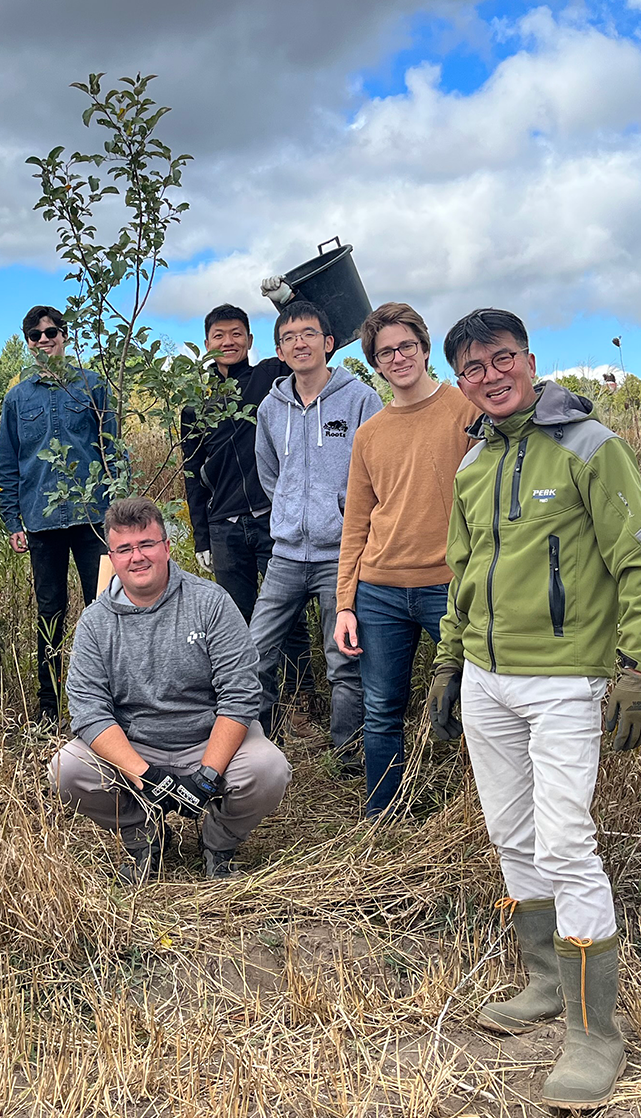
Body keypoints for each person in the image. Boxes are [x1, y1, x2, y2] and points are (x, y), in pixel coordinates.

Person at [428, 307, 641, 1111]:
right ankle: (543, 982)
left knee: (568, 842)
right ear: (461, 381)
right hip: (487, 682)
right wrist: (447, 665)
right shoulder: (472, 466)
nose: (490, 376)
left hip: (565, 679)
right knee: (512, 832)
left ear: (528, 361)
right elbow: (465, 577)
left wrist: (639, 668)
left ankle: (597, 1031)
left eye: (502, 359)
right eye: (473, 368)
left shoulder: (590, 450)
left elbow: (639, 561)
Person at [49, 497, 290, 883]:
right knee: (68, 768)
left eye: (146, 544)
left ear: (166, 547)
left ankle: (218, 841)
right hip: (136, 744)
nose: (137, 557)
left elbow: (241, 694)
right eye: (125, 549)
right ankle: (143, 835)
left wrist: (208, 774)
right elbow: (89, 711)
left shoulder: (211, 603)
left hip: (207, 739)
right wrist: (145, 774)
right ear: (112, 556)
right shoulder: (95, 622)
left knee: (269, 768)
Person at [333, 303, 476, 816]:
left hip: (450, 587)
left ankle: (480, 816)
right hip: (379, 591)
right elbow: (356, 523)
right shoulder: (369, 434)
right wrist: (345, 602)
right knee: (381, 709)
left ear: (423, 346)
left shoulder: (465, 410)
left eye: (406, 346)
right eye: (385, 352)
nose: (398, 358)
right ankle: (382, 819)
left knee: (480, 703)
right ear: (374, 362)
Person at [249, 300, 381, 765]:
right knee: (255, 651)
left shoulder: (360, 399)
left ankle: (348, 756)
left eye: (308, 334)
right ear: (280, 352)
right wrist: (288, 509)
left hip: (340, 555)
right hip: (285, 554)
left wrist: (341, 513)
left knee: (343, 659)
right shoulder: (271, 407)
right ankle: (256, 752)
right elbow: (270, 473)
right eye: (288, 338)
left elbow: (377, 472)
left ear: (328, 343)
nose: (299, 343)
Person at [179, 303, 318, 732]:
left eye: (236, 333)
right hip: (224, 526)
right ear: (206, 344)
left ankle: (302, 702)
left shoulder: (269, 378)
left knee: (288, 615)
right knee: (238, 620)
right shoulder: (194, 403)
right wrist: (201, 537)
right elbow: (191, 474)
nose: (228, 342)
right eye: (219, 335)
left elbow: (304, 339)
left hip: (272, 518)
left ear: (251, 340)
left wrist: (286, 298)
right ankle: (256, 711)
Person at [0, 305, 118, 723]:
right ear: (27, 342)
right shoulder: (16, 398)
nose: (44, 339)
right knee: (49, 612)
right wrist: (12, 520)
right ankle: (48, 708)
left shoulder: (93, 387)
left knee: (102, 608)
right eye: (35, 334)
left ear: (65, 336)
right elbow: (9, 462)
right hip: (41, 521)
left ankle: (106, 702)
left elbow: (112, 451)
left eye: (51, 332)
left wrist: (117, 512)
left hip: (92, 518)